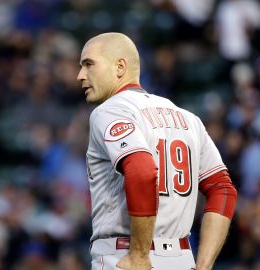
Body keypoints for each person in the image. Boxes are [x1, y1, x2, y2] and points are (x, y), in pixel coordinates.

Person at [77, 32, 237, 270]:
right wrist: (203, 265)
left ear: (120, 66)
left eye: (89, 64)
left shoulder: (110, 110)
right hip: (182, 259)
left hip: (124, 254)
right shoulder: (188, 118)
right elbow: (222, 190)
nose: (80, 75)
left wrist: (140, 254)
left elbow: (142, 171)